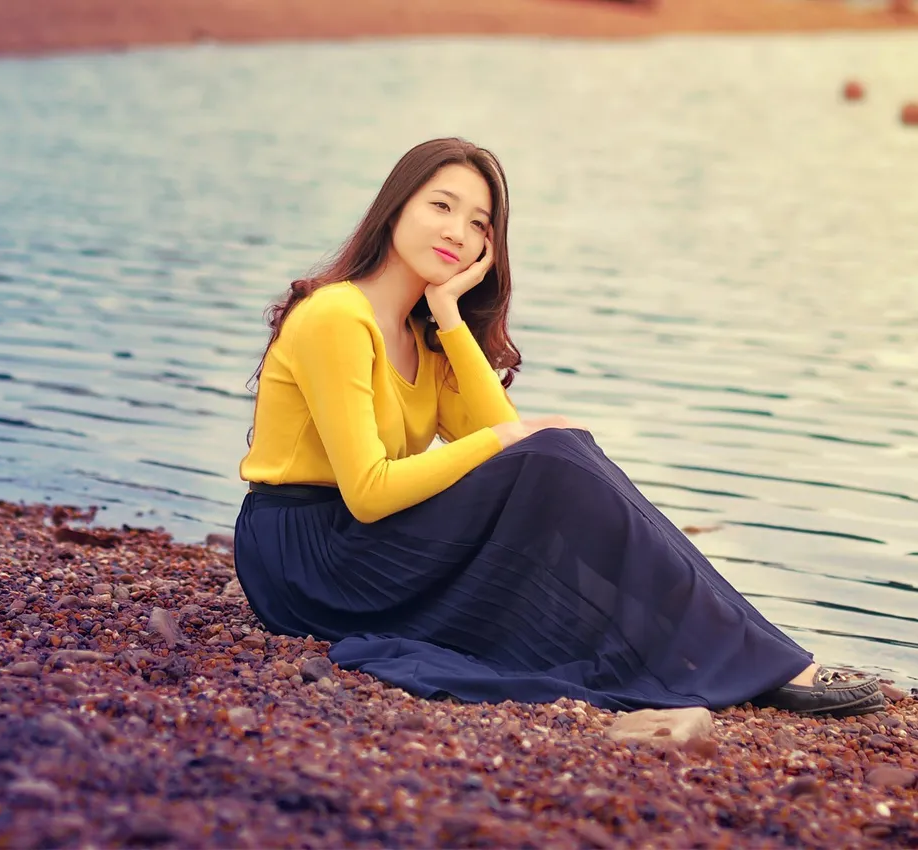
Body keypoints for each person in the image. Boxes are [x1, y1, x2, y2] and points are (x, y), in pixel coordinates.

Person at [234, 137, 883, 717]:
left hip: (362, 544)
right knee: (553, 454)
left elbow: (516, 455)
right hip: (306, 561)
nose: (457, 231)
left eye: (478, 223)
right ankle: (744, 652)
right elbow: (373, 489)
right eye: (441, 206)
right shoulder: (335, 316)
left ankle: (729, 646)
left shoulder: (425, 337)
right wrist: (506, 442)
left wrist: (449, 317)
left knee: (559, 454)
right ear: (396, 206)